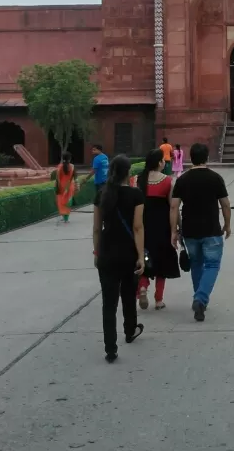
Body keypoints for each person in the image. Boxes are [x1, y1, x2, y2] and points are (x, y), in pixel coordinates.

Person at [92, 154, 145, 363]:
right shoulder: (136, 195)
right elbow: (138, 227)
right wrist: (141, 255)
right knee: (128, 294)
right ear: (128, 172)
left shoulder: (102, 194)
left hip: (106, 252)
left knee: (109, 303)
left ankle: (110, 349)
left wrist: (96, 252)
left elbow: (97, 228)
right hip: (128, 253)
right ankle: (130, 330)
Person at [170, 143, 231, 322]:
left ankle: (199, 298)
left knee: (197, 264)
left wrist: (174, 231)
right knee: (212, 265)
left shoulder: (182, 180)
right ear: (207, 158)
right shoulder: (215, 178)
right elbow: (225, 204)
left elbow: (174, 206)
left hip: (189, 230)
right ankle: (201, 299)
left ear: (191, 157)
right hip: (211, 228)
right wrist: (227, 224)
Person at [136, 149, 181, 311]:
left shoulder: (138, 180)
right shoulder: (168, 181)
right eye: (163, 160)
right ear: (159, 163)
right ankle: (158, 299)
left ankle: (142, 286)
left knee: (143, 256)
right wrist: (176, 228)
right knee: (162, 260)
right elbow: (173, 207)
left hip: (142, 225)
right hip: (162, 226)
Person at [54, 152, 78, 223]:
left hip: (61, 187)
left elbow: (57, 178)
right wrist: (77, 185)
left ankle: (63, 216)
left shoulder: (59, 167)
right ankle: (66, 218)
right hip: (69, 186)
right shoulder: (72, 166)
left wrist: (57, 187)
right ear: (70, 158)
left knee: (61, 202)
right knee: (68, 202)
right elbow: (75, 177)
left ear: (62, 158)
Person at [84, 144, 109, 211]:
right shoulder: (105, 157)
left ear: (99, 150)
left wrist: (86, 178)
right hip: (105, 180)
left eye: (94, 149)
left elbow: (94, 171)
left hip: (99, 181)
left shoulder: (96, 159)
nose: (92, 151)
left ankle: (100, 212)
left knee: (99, 198)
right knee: (104, 197)